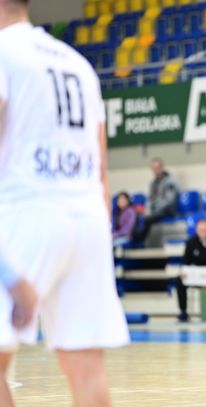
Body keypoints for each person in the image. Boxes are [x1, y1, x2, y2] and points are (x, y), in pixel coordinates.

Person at [0, 1, 130, 406]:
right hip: (87, 218)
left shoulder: (4, 52)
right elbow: (101, 167)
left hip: (24, 214)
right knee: (87, 367)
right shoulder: (78, 63)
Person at [133, 158, 178, 242]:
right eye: (154, 168)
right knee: (136, 215)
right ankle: (132, 237)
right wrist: (147, 208)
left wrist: (153, 209)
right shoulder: (153, 183)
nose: (156, 170)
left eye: (157, 167)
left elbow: (169, 200)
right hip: (155, 210)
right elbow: (150, 199)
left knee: (148, 219)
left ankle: (140, 240)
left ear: (162, 167)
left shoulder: (170, 181)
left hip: (167, 210)